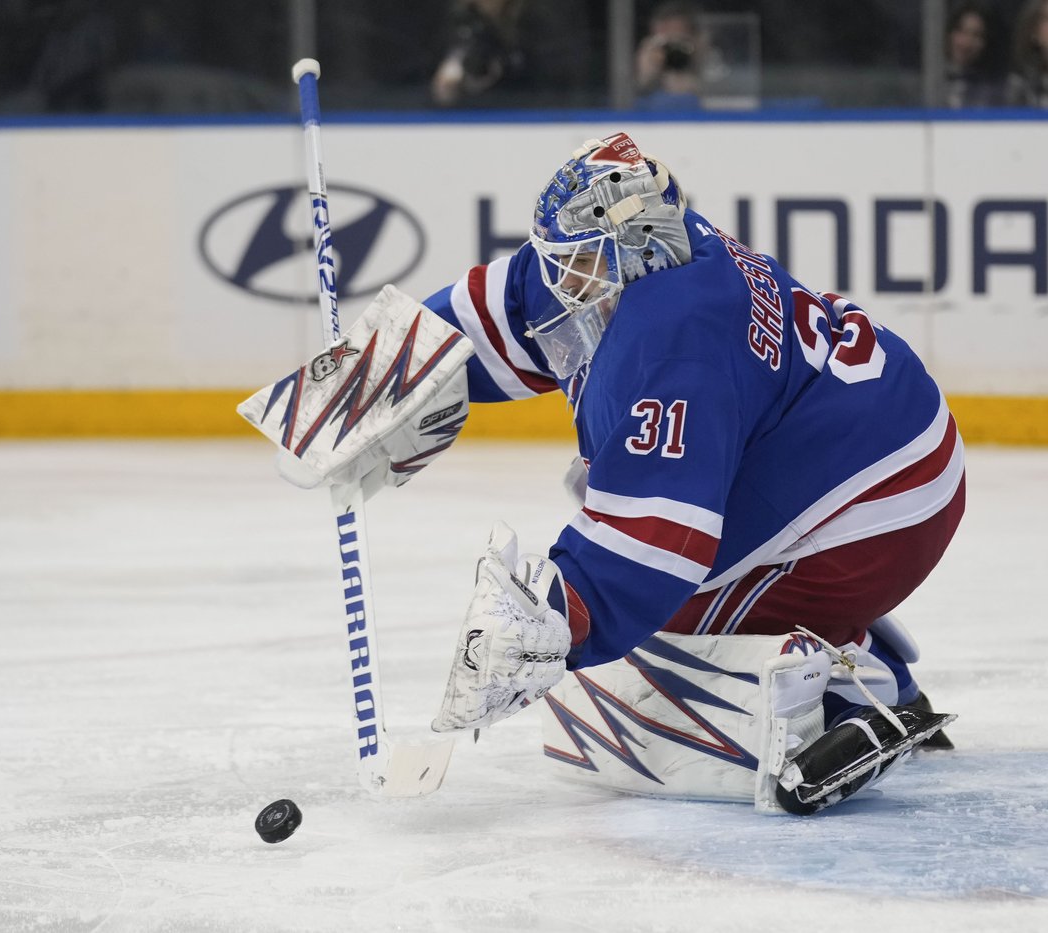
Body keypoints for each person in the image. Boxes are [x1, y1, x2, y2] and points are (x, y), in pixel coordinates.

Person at [258, 132, 966, 814]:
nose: (563, 280)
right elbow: (510, 306)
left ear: (633, 248)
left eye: (577, 264)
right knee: (607, 494)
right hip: (853, 438)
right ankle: (824, 621)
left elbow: (656, 545)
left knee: (670, 621)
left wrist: (556, 620)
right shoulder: (645, 251)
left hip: (881, 496)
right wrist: (378, 377)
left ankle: (857, 681)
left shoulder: (674, 340)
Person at [430, 0, 528, 107]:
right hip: (469, 111)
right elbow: (442, 95)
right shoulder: (456, 28)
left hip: (523, 107)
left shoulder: (529, 22)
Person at [945, 0, 1008, 108]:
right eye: (961, 31)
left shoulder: (999, 92)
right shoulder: (926, 84)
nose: (966, 43)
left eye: (976, 35)